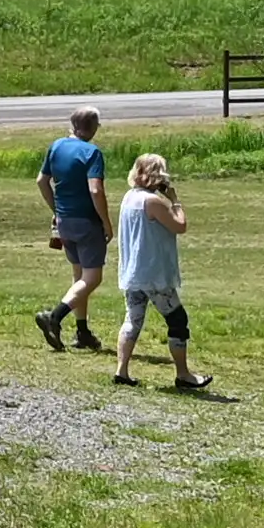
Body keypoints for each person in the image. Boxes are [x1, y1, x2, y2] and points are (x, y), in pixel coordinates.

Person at [106, 151, 212, 394]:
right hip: (154, 274)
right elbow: (180, 226)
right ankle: (183, 374)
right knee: (177, 320)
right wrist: (175, 200)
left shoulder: (128, 197)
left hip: (134, 273)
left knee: (133, 319)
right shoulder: (152, 202)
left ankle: (121, 370)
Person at [33, 111, 108, 352]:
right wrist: (106, 222)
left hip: (64, 222)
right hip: (86, 221)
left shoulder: (56, 146)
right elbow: (95, 190)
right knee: (92, 278)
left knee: (79, 277)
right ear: (94, 127)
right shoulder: (92, 153)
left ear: (73, 125)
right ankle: (54, 316)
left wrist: (56, 209)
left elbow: (42, 181)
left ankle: (82, 330)